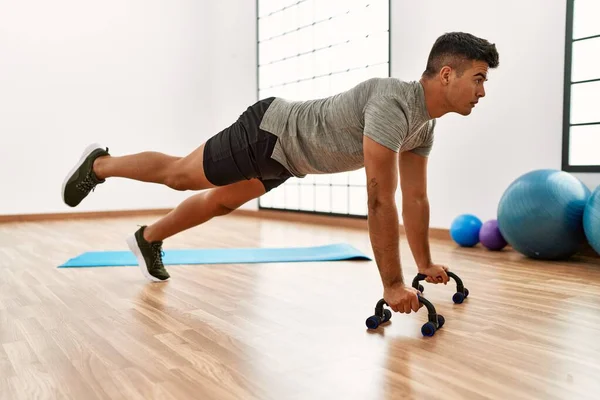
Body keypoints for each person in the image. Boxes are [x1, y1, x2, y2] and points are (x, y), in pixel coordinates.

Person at [62, 31, 499, 315]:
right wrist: (393, 283)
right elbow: (380, 198)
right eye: (478, 78)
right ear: (446, 74)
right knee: (181, 175)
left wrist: (422, 264)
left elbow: (415, 199)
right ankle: (100, 164)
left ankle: (148, 238)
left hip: (287, 159)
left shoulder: (423, 124)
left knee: (219, 201)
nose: (482, 91)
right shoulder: (392, 105)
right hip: (269, 132)